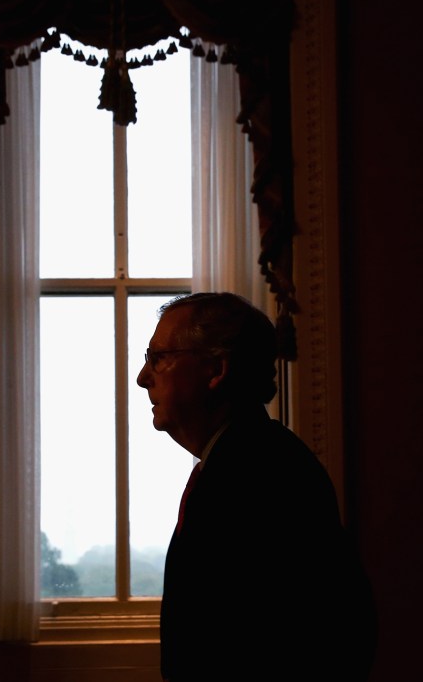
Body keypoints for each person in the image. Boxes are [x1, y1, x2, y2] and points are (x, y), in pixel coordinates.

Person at [136, 292, 376, 682]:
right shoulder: (245, 461)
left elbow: (332, 632)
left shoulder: (265, 476)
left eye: (158, 358)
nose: (143, 377)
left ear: (216, 369)